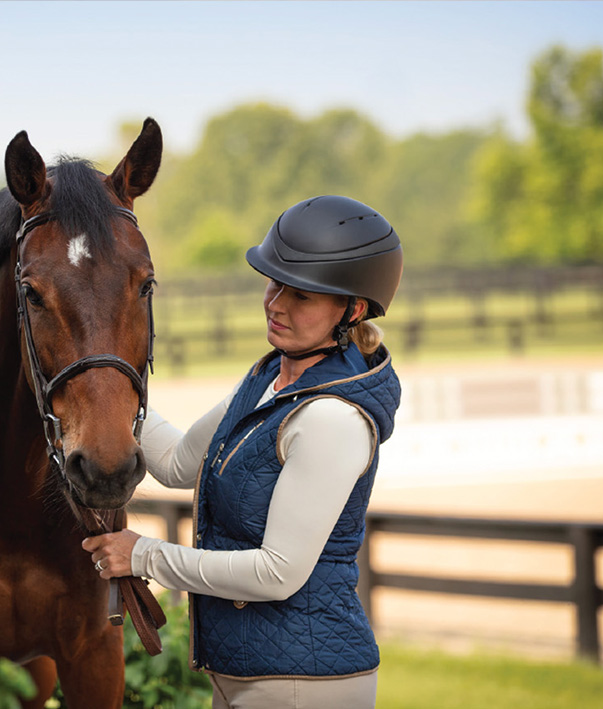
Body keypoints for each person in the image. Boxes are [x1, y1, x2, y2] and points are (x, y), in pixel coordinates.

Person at [83, 195, 403, 709]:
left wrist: (143, 555)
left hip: (303, 684)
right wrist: (102, 388)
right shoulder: (267, 379)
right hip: (244, 673)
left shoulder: (331, 419)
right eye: (274, 283)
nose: (276, 303)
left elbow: (277, 572)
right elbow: (176, 463)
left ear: (353, 308)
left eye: (301, 296)